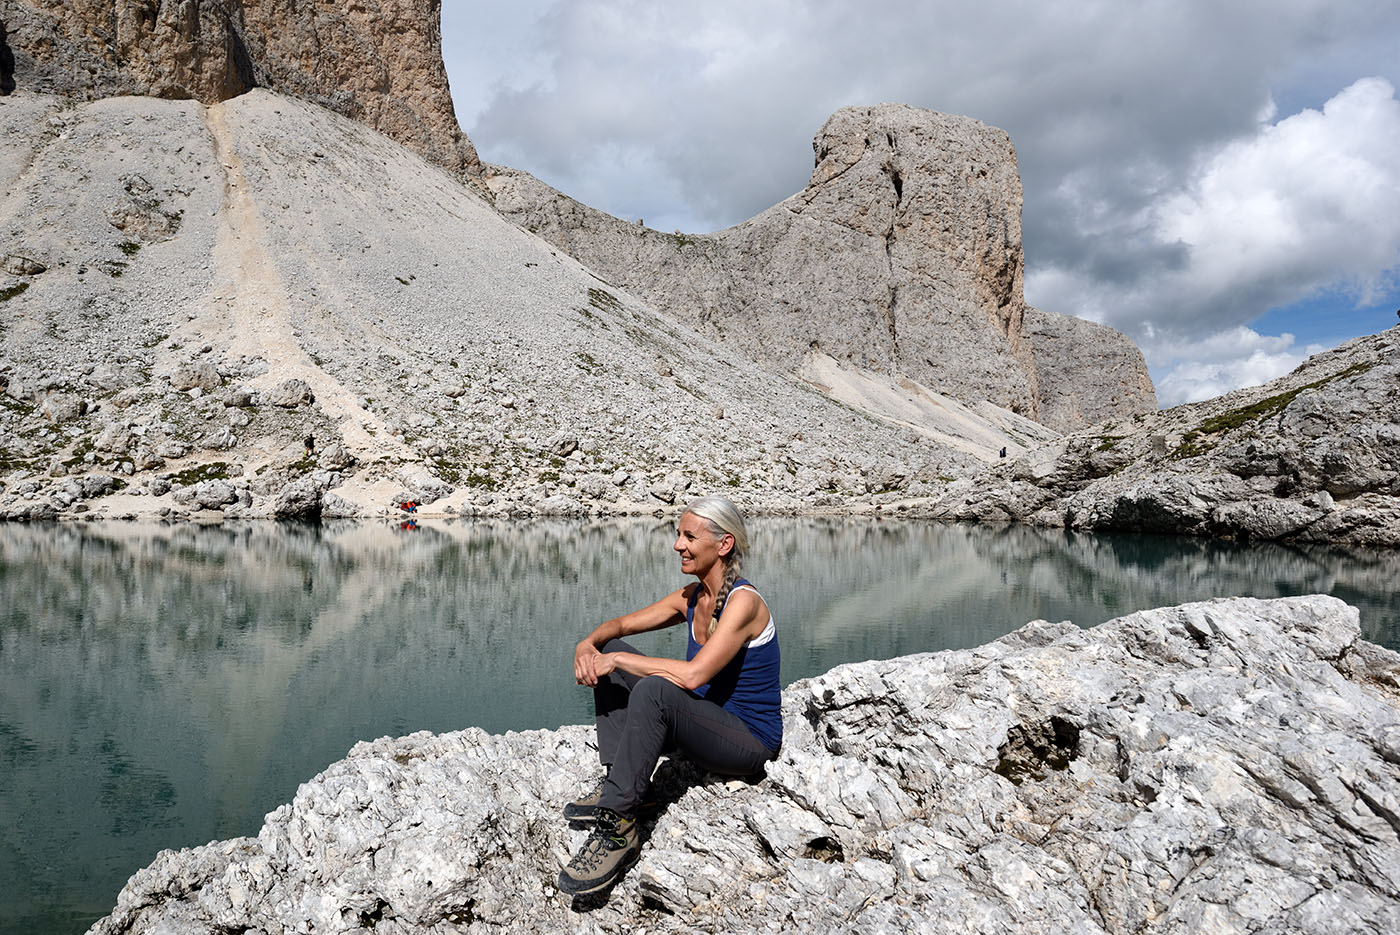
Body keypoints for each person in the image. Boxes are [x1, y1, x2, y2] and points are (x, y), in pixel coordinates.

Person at [558, 495, 782, 896]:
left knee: (655, 687)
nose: (678, 544)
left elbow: (694, 677)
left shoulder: (743, 602)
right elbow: (622, 624)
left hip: (748, 742)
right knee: (612, 655)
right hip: (706, 723)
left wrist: (621, 661)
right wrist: (589, 643)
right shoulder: (693, 596)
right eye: (678, 534)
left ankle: (618, 826)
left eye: (689, 536)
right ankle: (621, 781)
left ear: (724, 544)